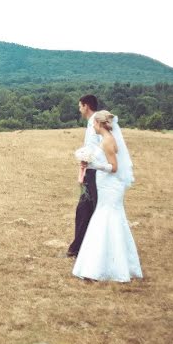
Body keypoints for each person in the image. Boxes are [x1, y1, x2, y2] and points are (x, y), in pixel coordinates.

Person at [72, 110, 142, 282]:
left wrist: (95, 165)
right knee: (108, 218)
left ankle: (101, 267)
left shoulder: (108, 141)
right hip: (106, 185)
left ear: (100, 123)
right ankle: (110, 263)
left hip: (110, 186)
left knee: (106, 218)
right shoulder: (107, 139)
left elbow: (114, 167)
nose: (93, 126)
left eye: (94, 123)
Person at [66, 94, 99, 258]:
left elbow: (96, 150)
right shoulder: (92, 122)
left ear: (86, 106)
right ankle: (77, 247)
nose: (79, 109)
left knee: (85, 210)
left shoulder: (95, 124)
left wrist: (86, 161)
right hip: (92, 172)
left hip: (94, 174)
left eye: (80, 106)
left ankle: (78, 248)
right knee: (84, 210)